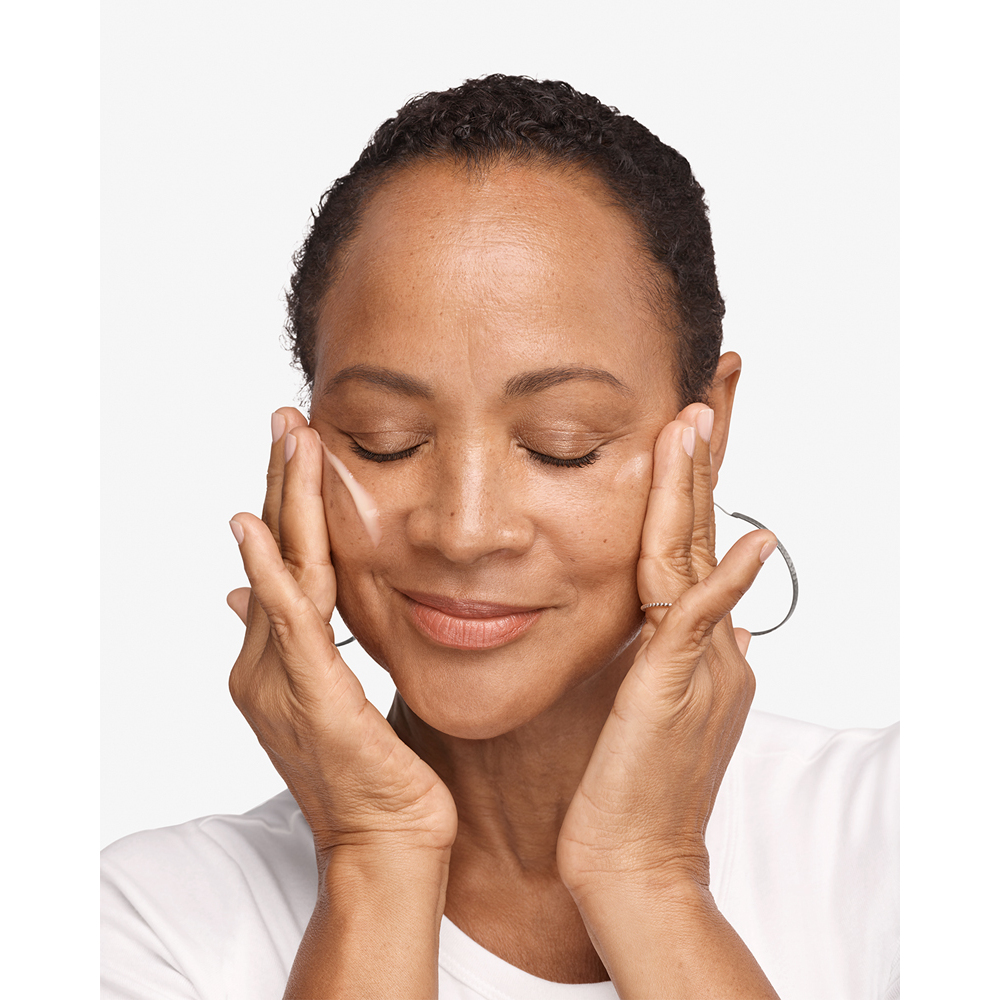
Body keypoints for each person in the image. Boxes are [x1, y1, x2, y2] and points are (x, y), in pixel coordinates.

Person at [101, 75, 899, 999]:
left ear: (707, 430)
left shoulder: (907, 829)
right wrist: (372, 853)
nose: (465, 529)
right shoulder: (151, 921)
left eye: (562, 444)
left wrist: (649, 874)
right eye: (385, 439)